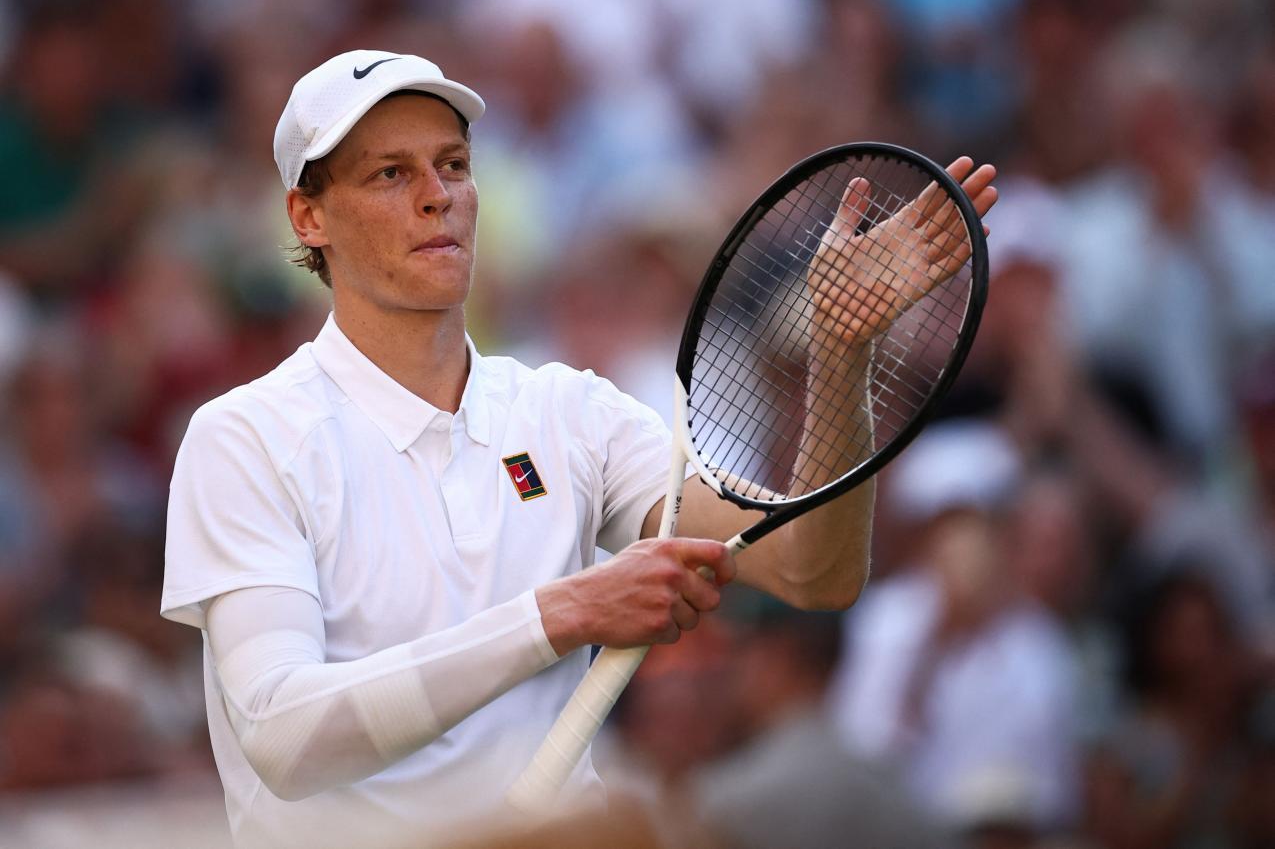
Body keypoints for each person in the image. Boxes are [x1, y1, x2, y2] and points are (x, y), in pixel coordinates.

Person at [160, 50, 997, 849]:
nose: (436, 196)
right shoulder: (242, 438)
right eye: (390, 173)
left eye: (452, 165)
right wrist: (562, 613)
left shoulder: (570, 412)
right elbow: (285, 735)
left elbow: (813, 572)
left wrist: (838, 353)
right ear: (308, 216)